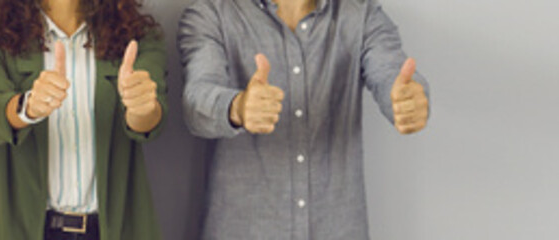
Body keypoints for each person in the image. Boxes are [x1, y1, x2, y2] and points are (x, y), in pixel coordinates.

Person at [178, 0, 432, 239]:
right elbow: (197, 101)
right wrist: (237, 108)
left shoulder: (362, 14)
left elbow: (391, 73)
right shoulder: (211, 13)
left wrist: (407, 99)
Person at [0, 0, 169, 239]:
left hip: (109, 229)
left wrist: (141, 107)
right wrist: (27, 107)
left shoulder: (140, 38)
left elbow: (152, 120)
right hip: (18, 228)